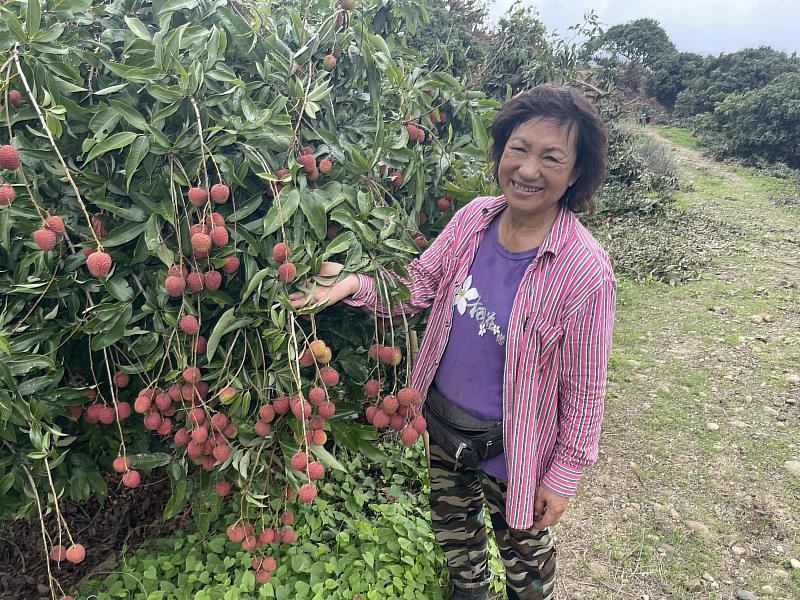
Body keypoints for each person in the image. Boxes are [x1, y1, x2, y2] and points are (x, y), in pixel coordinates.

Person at [289, 84, 616, 600]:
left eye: (551, 157)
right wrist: (353, 284)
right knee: (457, 543)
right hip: (442, 427)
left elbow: (585, 392)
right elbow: (418, 286)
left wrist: (565, 474)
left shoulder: (585, 271)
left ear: (575, 173)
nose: (529, 169)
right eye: (519, 149)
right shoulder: (473, 220)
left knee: (526, 566)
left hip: (517, 451)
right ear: (501, 152)